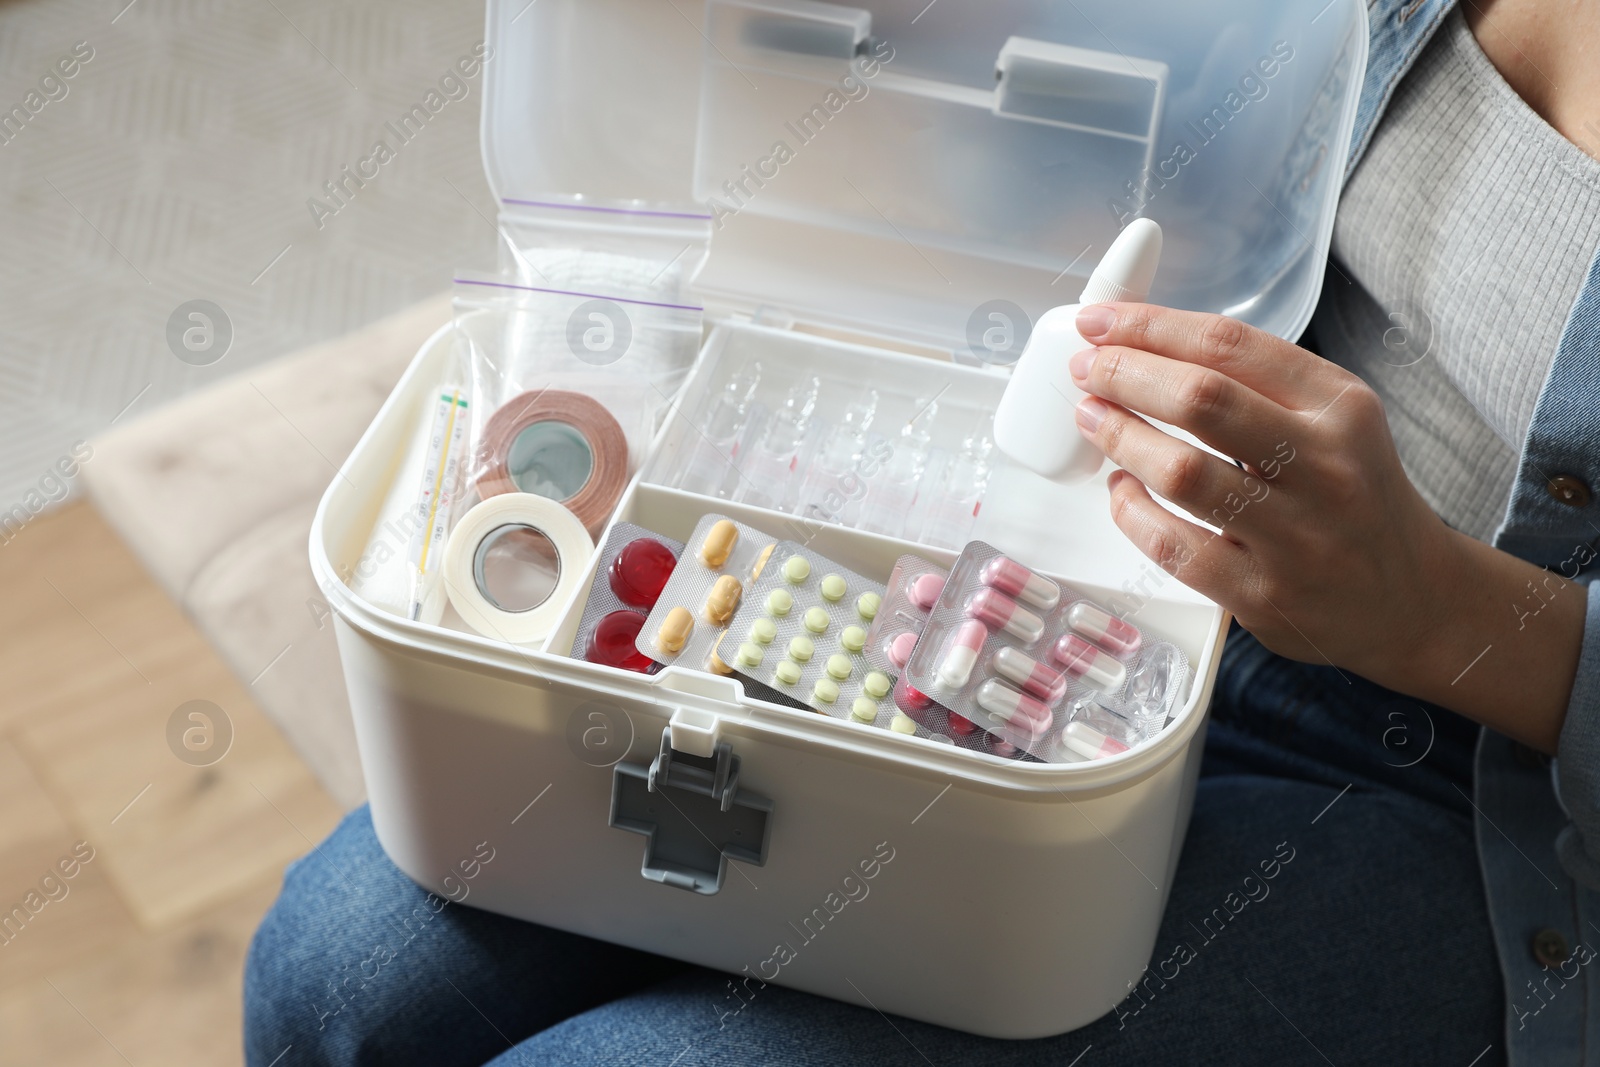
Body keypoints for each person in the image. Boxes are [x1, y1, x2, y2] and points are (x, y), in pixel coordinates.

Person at [244, 0, 1600, 1061]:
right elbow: (1136, 148)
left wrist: (1444, 616)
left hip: (1481, 793)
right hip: (1139, 560)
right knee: (332, 977)